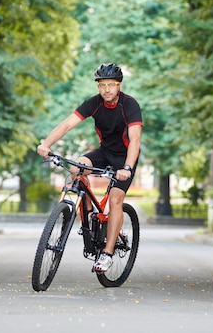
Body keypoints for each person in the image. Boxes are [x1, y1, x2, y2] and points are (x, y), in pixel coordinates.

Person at [36, 63, 143, 273]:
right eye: (102, 85)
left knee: (115, 198)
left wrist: (128, 167)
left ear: (119, 86)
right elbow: (67, 124)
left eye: (111, 85)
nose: (106, 90)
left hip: (125, 158)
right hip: (104, 152)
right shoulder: (94, 104)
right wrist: (46, 144)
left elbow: (135, 138)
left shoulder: (129, 105)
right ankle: (88, 214)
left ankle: (107, 254)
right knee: (77, 168)